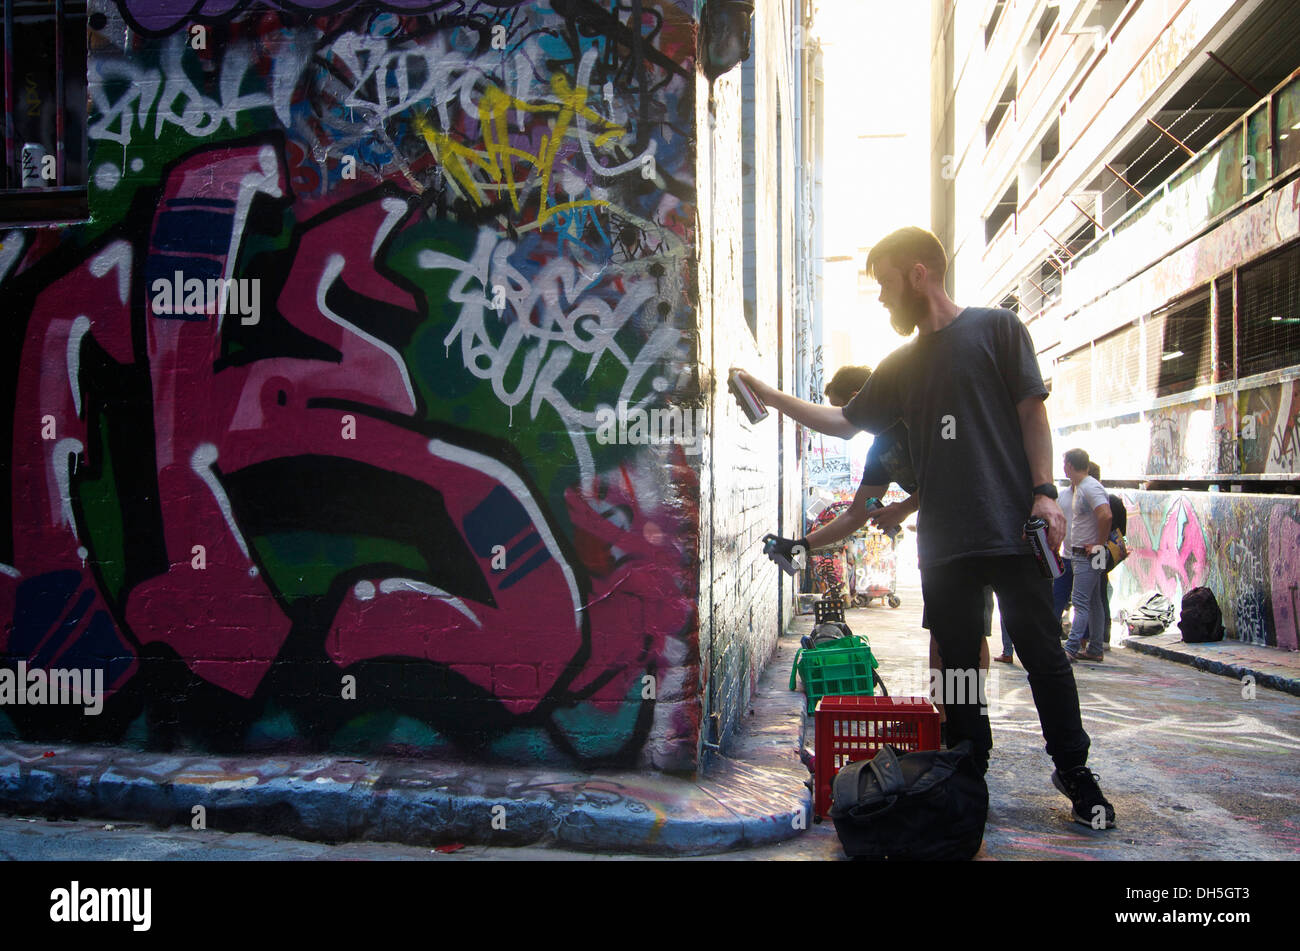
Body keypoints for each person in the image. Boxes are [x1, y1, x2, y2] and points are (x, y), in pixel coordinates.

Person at [737, 226, 1115, 828]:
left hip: (1014, 532)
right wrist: (769, 395)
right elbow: (841, 421)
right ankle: (968, 766)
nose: (883, 299)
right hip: (945, 550)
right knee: (961, 666)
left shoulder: (997, 329)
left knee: (1044, 656)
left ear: (919, 273)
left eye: (886, 284)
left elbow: (1031, 412)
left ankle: (1074, 769)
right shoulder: (899, 367)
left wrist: (1045, 492)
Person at [1063, 450, 1111, 662]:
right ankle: (1095, 647)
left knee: (1080, 601)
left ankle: (1071, 648)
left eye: (1065, 464)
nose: (1064, 468)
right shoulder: (1083, 487)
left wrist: (1098, 545)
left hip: (1087, 553)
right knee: (1094, 601)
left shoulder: (1089, 487)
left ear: (1070, 465)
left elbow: (1106, 514)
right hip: (1088, 552)